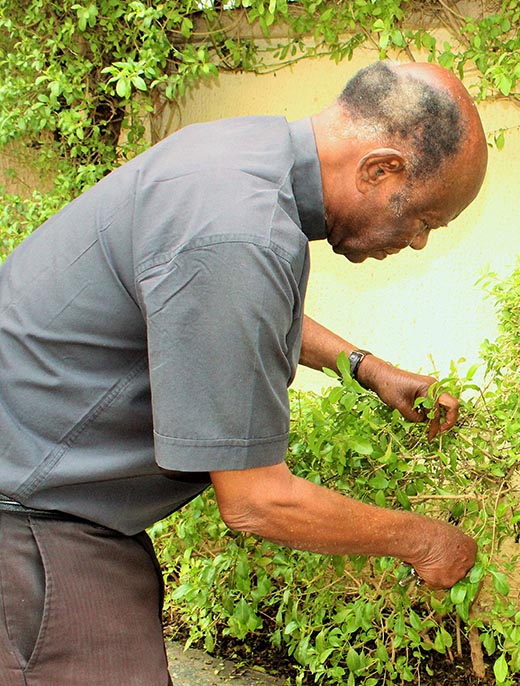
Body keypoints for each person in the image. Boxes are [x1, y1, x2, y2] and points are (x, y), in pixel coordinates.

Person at [0, 60, 487, 685]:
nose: (418, 241)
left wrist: (364, 368)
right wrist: (424, 540)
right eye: (425, 219)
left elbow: (219, 310)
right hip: (29, 520)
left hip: (45, 492)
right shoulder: (239, 234)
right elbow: (257, 501)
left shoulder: (244, 158)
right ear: (380, 169)